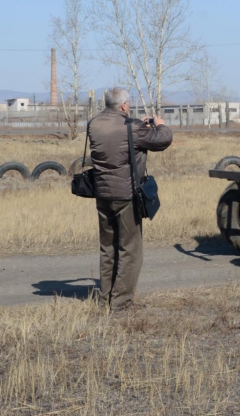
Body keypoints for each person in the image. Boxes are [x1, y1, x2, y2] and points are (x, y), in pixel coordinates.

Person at [88, 87, 173, 311]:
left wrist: (139, 124)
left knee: (108, 247)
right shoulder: (131, 127)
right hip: (125, 195)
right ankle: (121, 302)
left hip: (102, 193)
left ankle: (105, 297)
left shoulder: (94, 124)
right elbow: (163, 140)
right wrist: (159, 123)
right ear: (124, 105)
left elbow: (119, 137)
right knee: (130, 249)